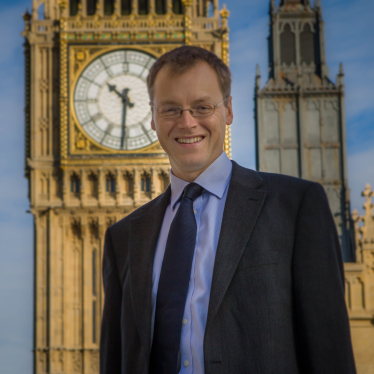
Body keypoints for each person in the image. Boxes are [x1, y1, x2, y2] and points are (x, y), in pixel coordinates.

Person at [100, 46, 356, 374]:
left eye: (202, 107)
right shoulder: (123, 237)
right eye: (171, 109)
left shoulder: (295, 207)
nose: (187, 122)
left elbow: (329, 354)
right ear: (152, 117)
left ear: (228, 110)